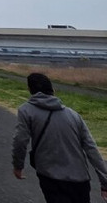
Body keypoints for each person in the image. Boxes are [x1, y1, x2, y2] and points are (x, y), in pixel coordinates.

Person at [12, 72, 107, 203]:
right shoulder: (74, 115)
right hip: (80, 180)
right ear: (53, 90)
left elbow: (20, 140)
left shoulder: (26, 110)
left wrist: (18, 165)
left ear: (29, 90)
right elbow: (91, 148)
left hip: (51, 177)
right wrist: (104, 181)